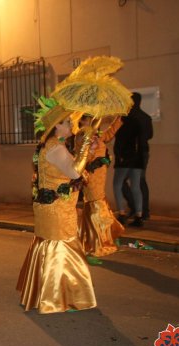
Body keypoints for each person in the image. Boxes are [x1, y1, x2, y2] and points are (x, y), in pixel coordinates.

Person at [17, 102, 98, 313]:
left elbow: (71, 167)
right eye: (67, 122)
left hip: (56, 209)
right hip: (57, 211)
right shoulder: (55, 147)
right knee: (62, 248)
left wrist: (87, 151)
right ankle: (63, 297)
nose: (72, 124)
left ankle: (52, 295)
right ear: (57, 126)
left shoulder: (56, 145)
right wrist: (87, 141)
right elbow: (74, 173)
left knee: (52, 245)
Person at [77, 115, 124, 262]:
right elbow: (80, 157)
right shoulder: (82, 136)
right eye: (90, 121)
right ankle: (94, 246)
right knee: (96, 207)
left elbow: (109, 134)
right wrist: (94, 161)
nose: (94, 123)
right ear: (83, 122)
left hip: (100, 176)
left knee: (100, 204)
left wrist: (119, 119)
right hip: (90, 177)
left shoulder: (96, 135)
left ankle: (108, 236)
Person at [113, 93, 150, 227]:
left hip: (125, 157)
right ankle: (140, 214)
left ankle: (122, 213)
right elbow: (148, 136)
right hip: (139, 157)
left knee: (117, 184)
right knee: (137, 185)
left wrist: (119, 156)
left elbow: (118, 139)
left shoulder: (123, 120)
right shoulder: (144, 118)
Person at [121, 92, 153, 220]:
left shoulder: (127, 118)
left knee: (122, 181)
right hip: (142, 152)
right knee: (140, 181)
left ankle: (135, 207)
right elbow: (150, 135)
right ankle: (143, 210)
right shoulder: (146, 117)